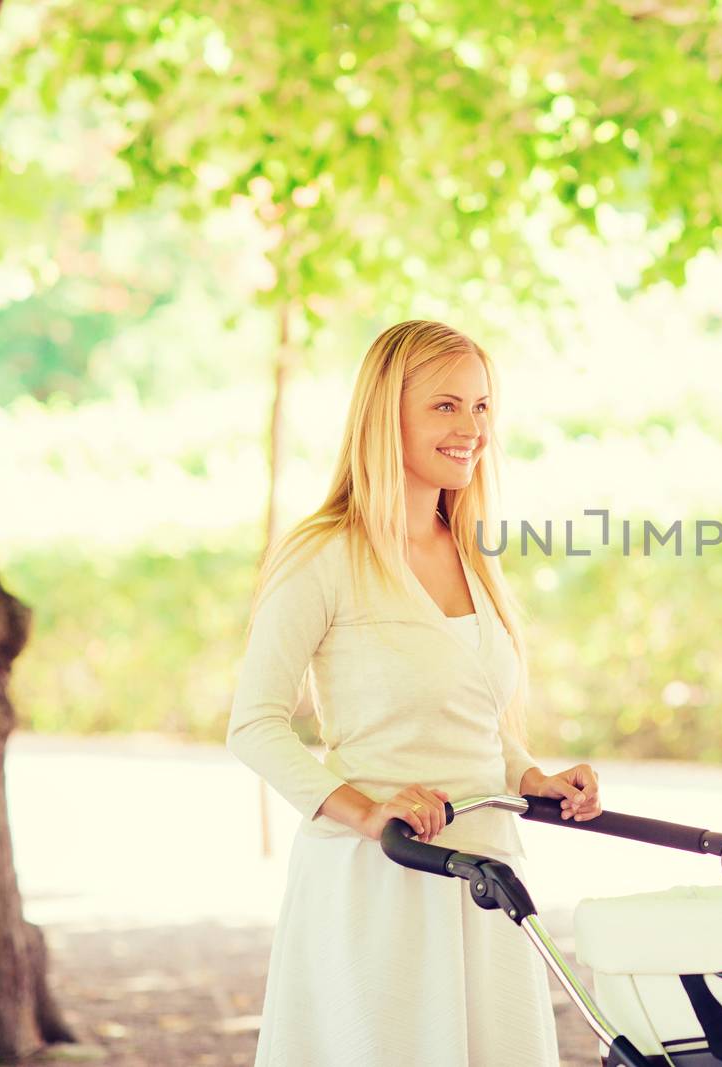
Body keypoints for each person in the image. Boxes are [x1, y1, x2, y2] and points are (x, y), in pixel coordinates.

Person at [226, 319, 601, 1066]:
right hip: (384, 880)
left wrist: (531, 775)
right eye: (445, 406)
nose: (472, 428)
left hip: (486, 877)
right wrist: (368, 812)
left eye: (483, 406)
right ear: (384, 413)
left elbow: (473, 712)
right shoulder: (324, 555)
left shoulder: (467, 547)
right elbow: (255, 724)